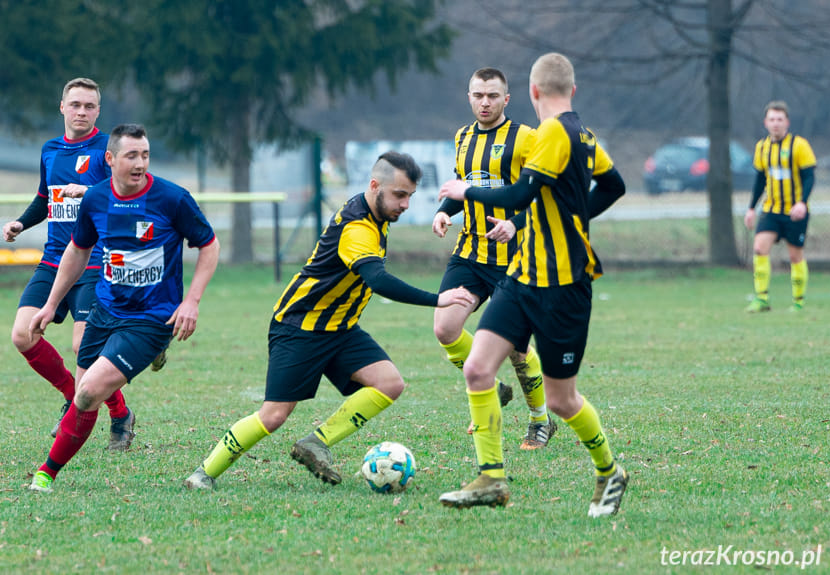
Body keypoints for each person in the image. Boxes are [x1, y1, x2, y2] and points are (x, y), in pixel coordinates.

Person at [183, 151, 474, 490]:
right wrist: (438, 299)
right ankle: (203, 473)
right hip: (299, 328)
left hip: (340, 327)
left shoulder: (376, 214)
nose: (405, 204)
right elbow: (378, 281)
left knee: (389, 383)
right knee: (274, 415)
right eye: (399, 195)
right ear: (375, 186)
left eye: (410, 195)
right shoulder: (357, 228)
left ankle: (315, 443)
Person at [437, 53, 628, 516]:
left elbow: (521, 193)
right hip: (522, 276)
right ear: (572, 91)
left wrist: (467, 192)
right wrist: (547, 221)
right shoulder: (582, 133)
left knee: (563, 400)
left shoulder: (553, 135)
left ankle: (610, 470)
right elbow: (614, 184)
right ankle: (491, 478)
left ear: (531, 92)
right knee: (478, 368)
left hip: (563, 287)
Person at [27, 124, 220, 493]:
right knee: (85, 394)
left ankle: (44, 475)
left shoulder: (173, 198)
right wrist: (51, 304)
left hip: (152, 317)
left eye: (145, 155)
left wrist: (191, 301)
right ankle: (53, 471)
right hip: (106, 308)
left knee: (85, 395)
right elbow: (78, 251)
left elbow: (209, 245)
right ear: (111, 159)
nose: (140, 163)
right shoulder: (96, 199)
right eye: (132, 155)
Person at [1, 78, 134, 449]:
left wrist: (89, 191)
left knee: (82, 347)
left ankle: (118, 414)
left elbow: (124, 196)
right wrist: (21, 223)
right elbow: (45, 199)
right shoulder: (50, 150)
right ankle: (78, 395)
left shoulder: (108, 151)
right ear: (62, 107)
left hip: (94, 261)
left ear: (98, 111)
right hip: (54, 259)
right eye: (75, 104)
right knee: (23, 335)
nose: (81, 112)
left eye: (89, 106)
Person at [432, 67, 554, 449]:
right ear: (469, 96)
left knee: (517, 349)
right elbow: (466, 186)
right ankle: (491, 385)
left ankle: (540, 420)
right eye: (478, 95)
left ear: (506, 99)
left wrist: (516, 224)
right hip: (469, 253)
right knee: (445, 328)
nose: (484, 102)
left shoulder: (526, 139)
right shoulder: (463, 136)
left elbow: (544, 195)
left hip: (513, 261)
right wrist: (445, 211)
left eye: (492, 96)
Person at [744, 100, 816, 313]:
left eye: (780, 119)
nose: (776, 123)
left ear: (787, 122)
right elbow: (759, 180)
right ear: (765, 122)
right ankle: (762, 299)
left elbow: (809, 177)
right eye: (772, 119)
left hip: (794, 212)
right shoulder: (762, 147)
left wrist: (802, 203)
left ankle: (798, 302)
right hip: (771, 210)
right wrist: (751, 208)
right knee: (759, 248)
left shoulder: (799, 145)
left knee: (795, 256)